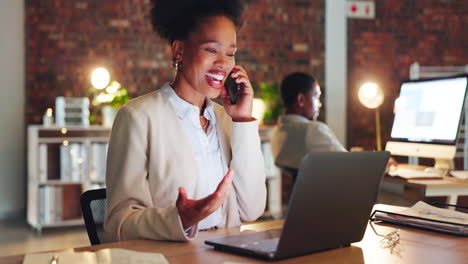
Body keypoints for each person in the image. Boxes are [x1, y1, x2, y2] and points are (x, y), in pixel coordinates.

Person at [103, 0, 266, 242]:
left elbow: (251, 210)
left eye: (230, 53)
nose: (223, 63)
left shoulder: (227, 120)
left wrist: (242, 120)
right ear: (179, 50)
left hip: (227, 255)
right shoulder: (137, 117)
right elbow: (119, 222)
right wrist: (179, 218)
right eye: (211, 50)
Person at [271, 72, 346, 173]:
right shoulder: (313, 129)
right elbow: (349, 162)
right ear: (301, 100)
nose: (319, 104)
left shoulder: (277, 132)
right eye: (316, 97)